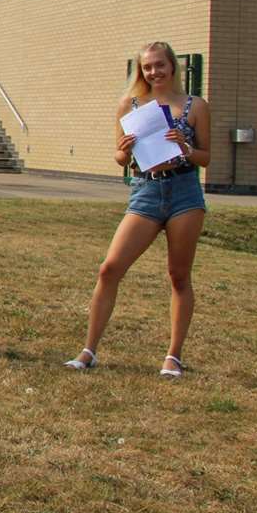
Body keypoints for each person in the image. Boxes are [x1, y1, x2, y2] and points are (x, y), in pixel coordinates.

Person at [66, 42, 209, 377]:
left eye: (160, 65)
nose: (154, 72)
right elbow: (121, 159)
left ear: (173, 67)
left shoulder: (195, 106)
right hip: (146, 190)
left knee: (178, 275)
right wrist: (123, 151)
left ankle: (173, 356)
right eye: (147, 67)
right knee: (109, 268)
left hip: (185, 192)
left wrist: (186, 148)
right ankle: (89, 351)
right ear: (140, 71)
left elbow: (206, 157)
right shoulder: (130, 106)